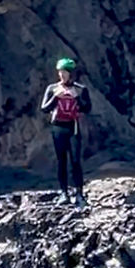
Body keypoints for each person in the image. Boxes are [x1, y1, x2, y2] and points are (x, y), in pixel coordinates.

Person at [40, 58, 92, 206]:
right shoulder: (52, 88)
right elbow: (44, 109)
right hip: (58, 127)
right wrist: (56, 97)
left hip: (73, 127)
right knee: (61, 161)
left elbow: (87, 109)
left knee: (75, 161)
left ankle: (80, 194)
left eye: (65, 72)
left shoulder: (81, 89)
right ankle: (64, 193)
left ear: (71, 73)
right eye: (60, 72)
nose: (62, 75)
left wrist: (76, 97)